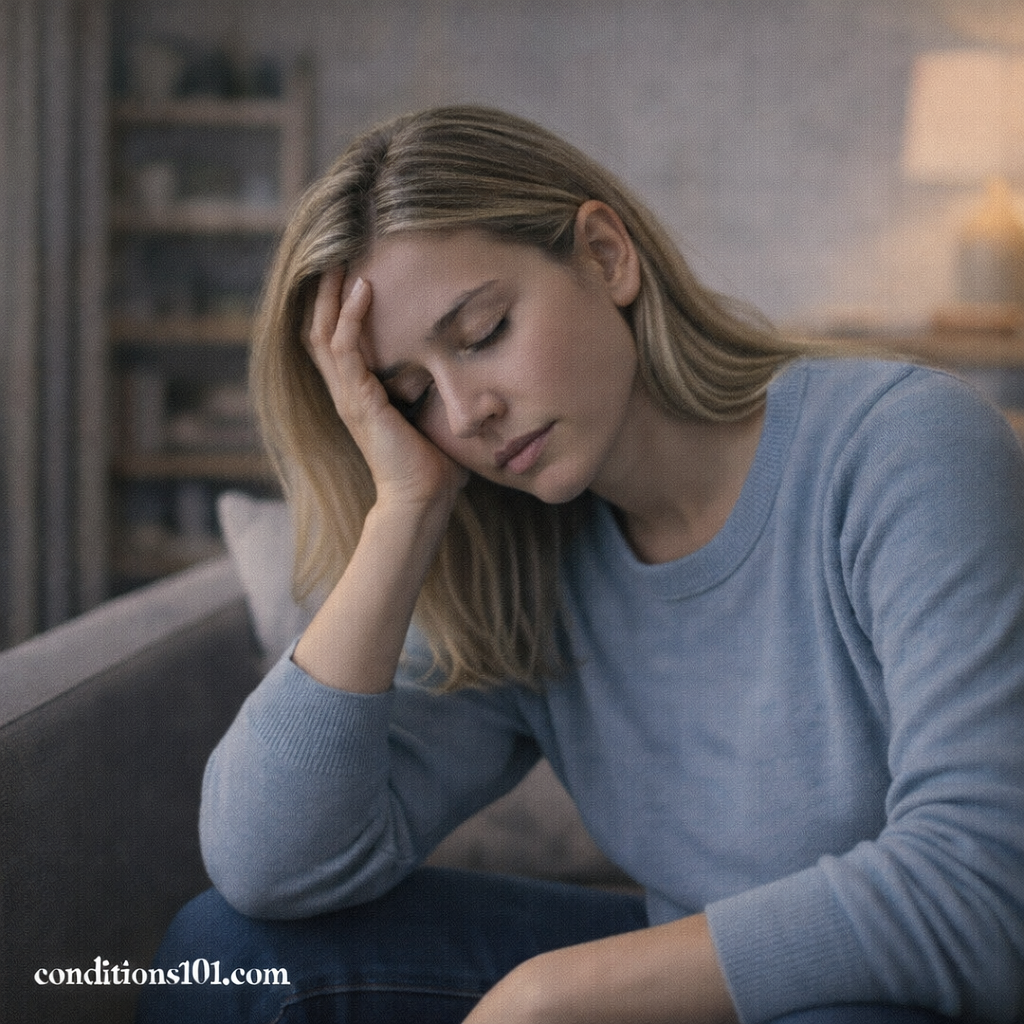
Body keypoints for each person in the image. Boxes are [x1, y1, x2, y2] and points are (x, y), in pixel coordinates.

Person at [137, 105, 1024, 1024]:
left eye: (483, 332)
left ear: (605, 256)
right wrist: (405, 509)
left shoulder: (900, 445)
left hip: (896, 998)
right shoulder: (521, 561)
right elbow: (270, 867)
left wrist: (549, 994)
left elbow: (988, 890)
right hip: (691, 987)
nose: (465, 413)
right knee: (226, 956)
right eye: (412, 394)